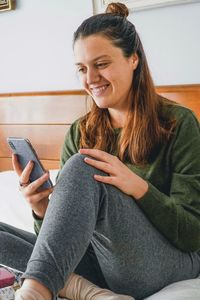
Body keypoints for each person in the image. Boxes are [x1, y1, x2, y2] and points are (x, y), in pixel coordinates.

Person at [0, 2, 200, 300]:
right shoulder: (80, 131)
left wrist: (139, 188)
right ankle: (89, 292)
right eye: (82, 68)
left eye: (101, 64)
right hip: (101, 265)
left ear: (133, 59)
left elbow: (191, 232)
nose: (90, 78)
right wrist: (42, 210)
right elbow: (59, 245)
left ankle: (35, 293)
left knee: (85, 164)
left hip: (164, 260)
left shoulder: (178, 123)